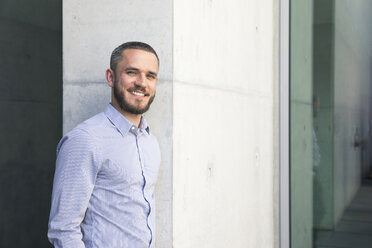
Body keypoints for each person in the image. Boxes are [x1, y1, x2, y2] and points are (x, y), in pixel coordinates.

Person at [48, 41, 161, 248]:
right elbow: (63, 230)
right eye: (132, 72)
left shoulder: (150, 141)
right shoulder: (85, 139)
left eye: (150, 76)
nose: (142, 83)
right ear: (111, 77)